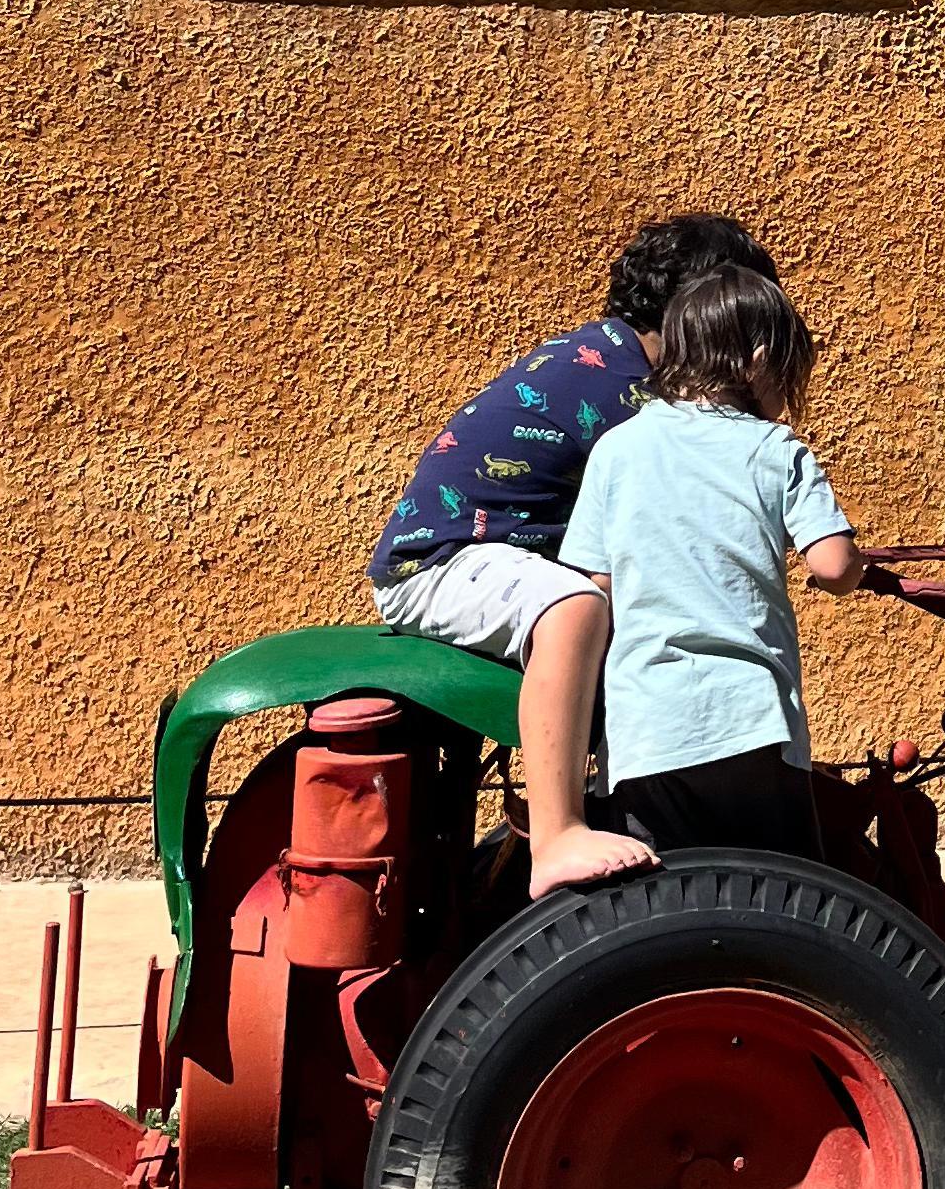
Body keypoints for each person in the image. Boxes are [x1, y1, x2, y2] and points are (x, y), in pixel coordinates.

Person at [369, 210, 778, 895]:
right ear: (697, 315)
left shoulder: (612, 359)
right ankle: (557, 835)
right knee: (575, 606)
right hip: (443, 562)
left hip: (498, 555)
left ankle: (622, 808)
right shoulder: (629, 389)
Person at [556, 264, 864, 865]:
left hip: (644, 727)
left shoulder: (618, 447)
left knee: (660, 901)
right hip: (749, 721)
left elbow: (595, 589)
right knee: (777, 900)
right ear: (757, 359)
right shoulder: (775, 448)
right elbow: (833, 566)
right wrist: (856, 562)